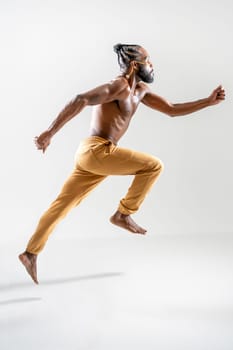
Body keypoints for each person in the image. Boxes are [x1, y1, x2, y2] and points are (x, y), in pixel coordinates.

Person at [19, 43, 225, 284]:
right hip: (97, 151)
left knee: (61, 206)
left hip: (94, 156)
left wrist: (207, 102)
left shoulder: (141, 91)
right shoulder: (118, 86)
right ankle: (123, 214)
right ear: (136, 65)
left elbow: (171, 109)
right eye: (148, 60)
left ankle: (30, 253)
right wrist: (50, 132)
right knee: (153, 165)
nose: (152, 65)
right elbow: (81, 99)